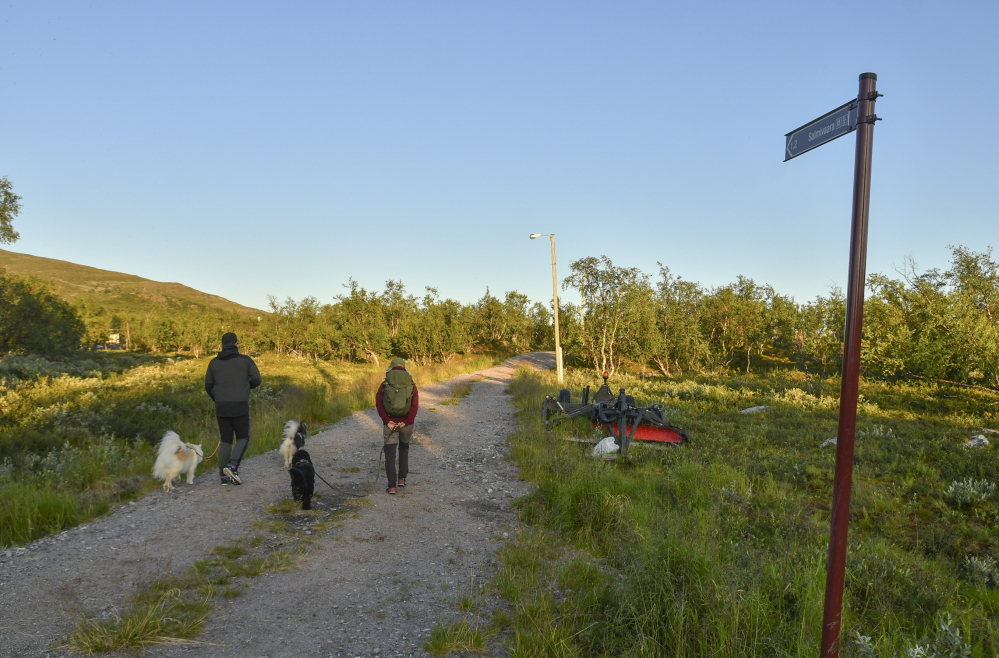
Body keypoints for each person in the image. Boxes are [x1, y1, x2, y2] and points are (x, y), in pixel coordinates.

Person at [205, 332, 262, 485]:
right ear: (236, 344)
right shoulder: (245, 360)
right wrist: (246, 388)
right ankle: (232, 466)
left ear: (222, 345)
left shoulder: (213, 362)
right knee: (243, 437)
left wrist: (217, 399)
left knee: (226, 440)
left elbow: (208, 386)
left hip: (221, 407)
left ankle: (223, 477)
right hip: (240, 405)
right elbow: (257, 379)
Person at [375, 357, 419, 494]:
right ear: (404, 367)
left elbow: (379, 403)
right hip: (406, 424)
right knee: (404, 448)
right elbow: (414, 405)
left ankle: (392, 486)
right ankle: (402, 479)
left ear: (391, 367)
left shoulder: (385, 383)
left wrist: (387, 420)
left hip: (390, 423)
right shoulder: (411, 383)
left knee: (390, 453)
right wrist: (406, 421)